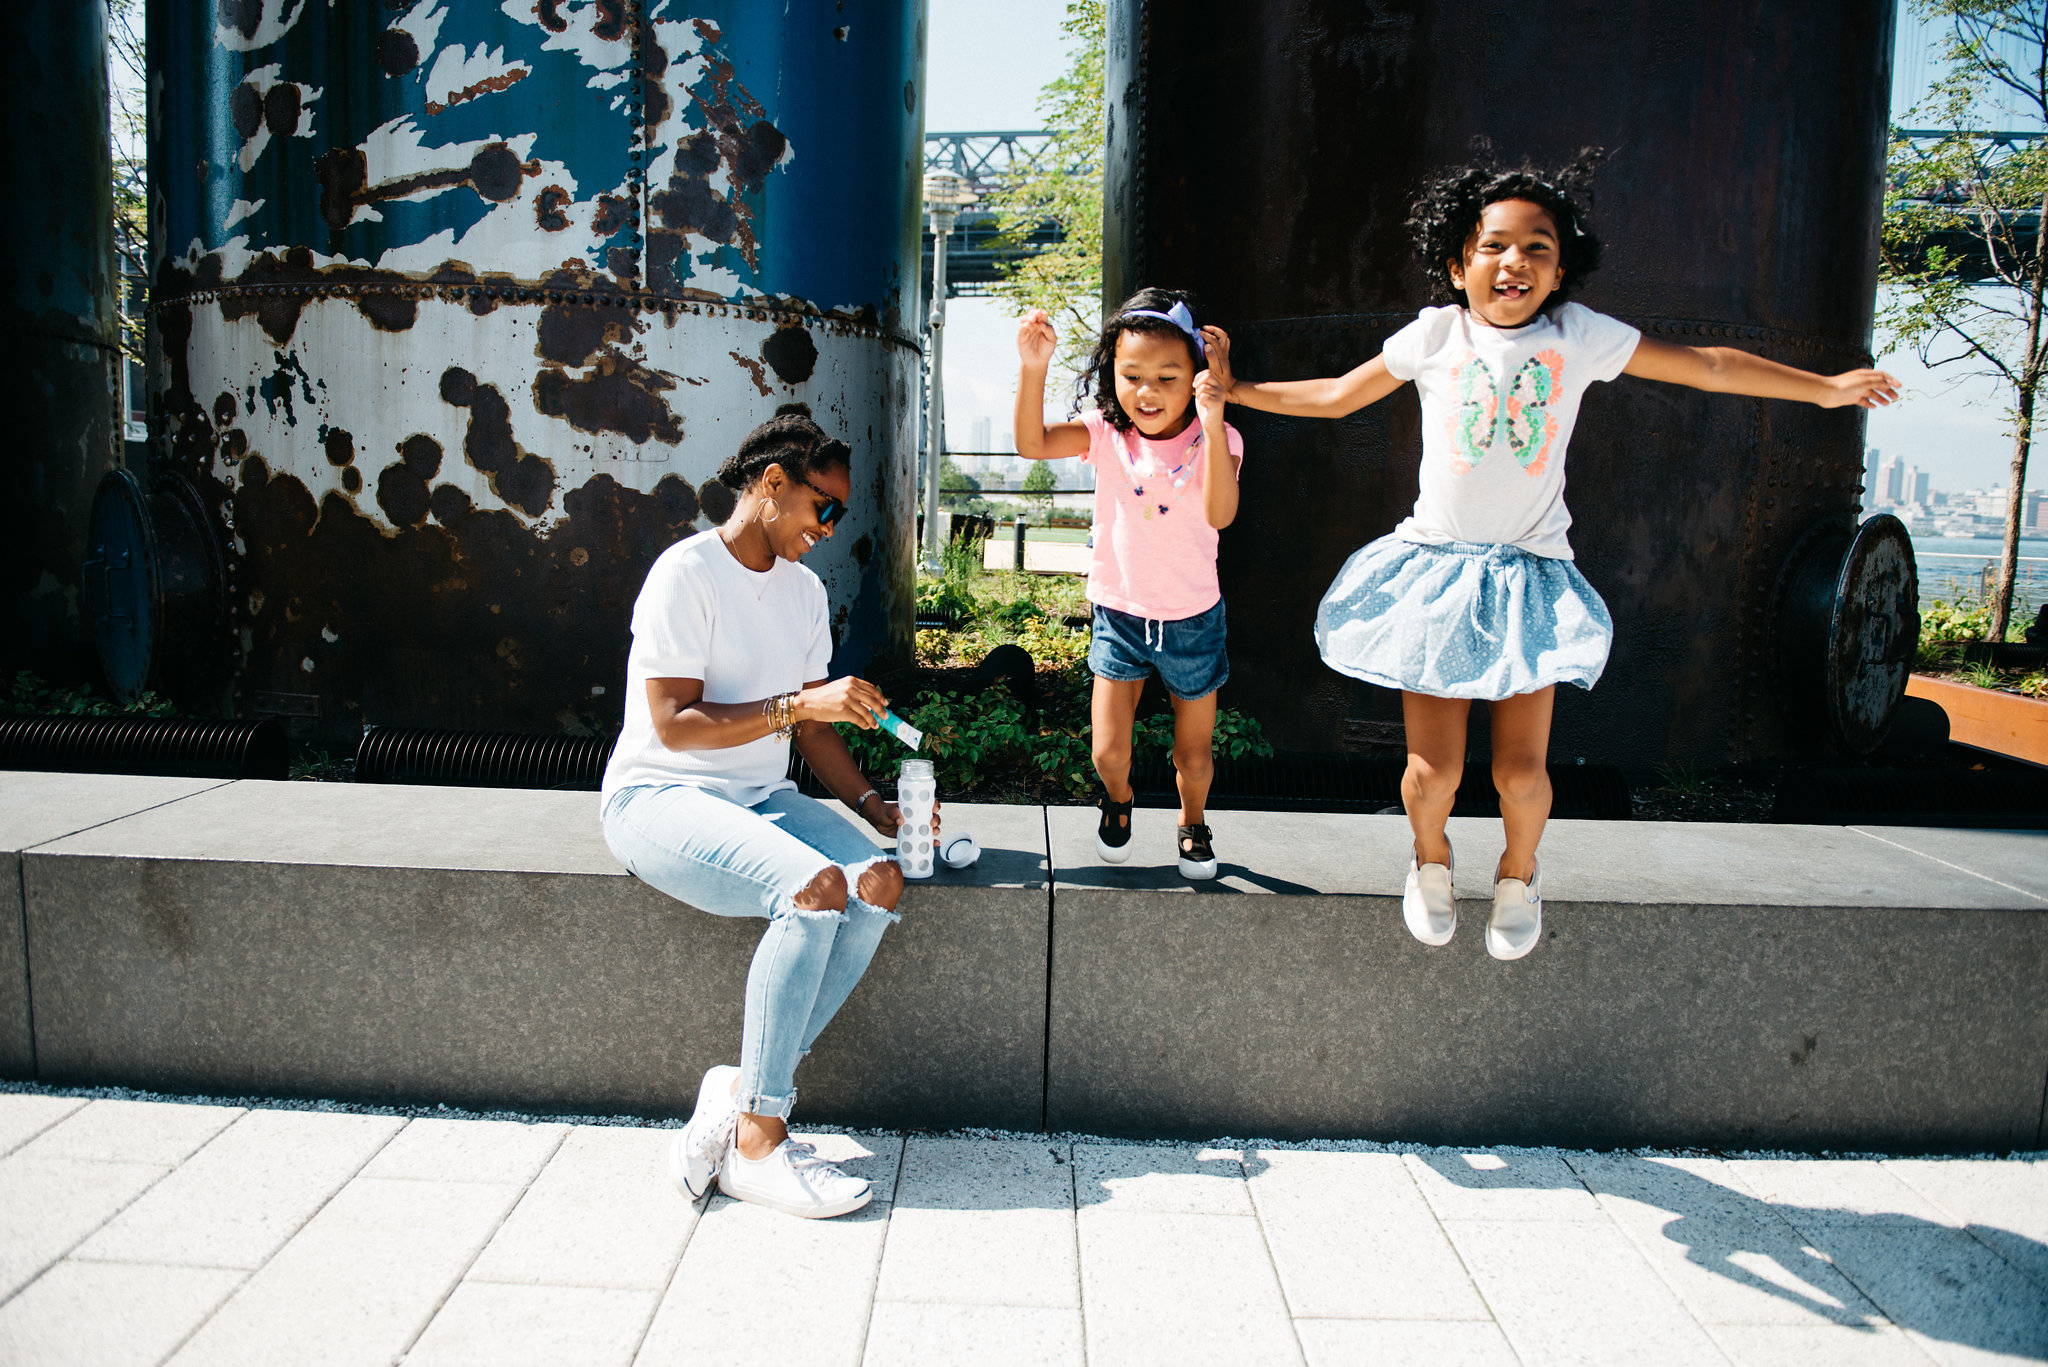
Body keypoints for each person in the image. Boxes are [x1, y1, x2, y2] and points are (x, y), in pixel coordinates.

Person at [1209, 157, 1898, 958]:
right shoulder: (1436, 335)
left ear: (1561, 268)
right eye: (1494, 246)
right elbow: (1333, 396)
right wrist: (1235, 391)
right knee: (1433, 773)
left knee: (1521, 773)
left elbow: (1706, 365)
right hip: (1435, 571)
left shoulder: (1578, 336)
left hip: (1527, 578)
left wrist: (1822, 388)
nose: (1515, 263)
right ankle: (1430, 858)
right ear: (1459, 263)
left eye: (1538, 247)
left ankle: (1518, 870)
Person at [600, 406, 930, 1219]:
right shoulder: (687, 573)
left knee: (877, 881)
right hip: (660, 795)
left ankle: (748, 1084)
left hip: (762, 800)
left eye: (842, 513)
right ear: (773, 484)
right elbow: (677, 722)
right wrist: (800, 701)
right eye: (825, 506)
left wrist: (867, 801)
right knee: (814, 888)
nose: (831, 526)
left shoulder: (806, 591)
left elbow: (811, 728)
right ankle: (758, 1138)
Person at [1013, 289, 1243, 878]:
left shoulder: (1217, 439)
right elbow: (1032, 444)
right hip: (1120, 615)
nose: (1147, 391)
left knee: (1192, 756)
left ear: (1196, 374)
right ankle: (1118, 799)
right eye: (1131, 374)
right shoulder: (1105, 436)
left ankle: (1192, 822)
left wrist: (1215, 420)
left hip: (1193, 619)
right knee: (1107, 752)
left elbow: (1220, 513)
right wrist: (1033, 366)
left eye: (1168, 376)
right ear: (1110, 372)